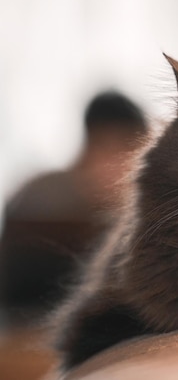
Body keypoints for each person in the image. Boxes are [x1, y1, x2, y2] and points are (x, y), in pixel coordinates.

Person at [0, 91, 147, 327]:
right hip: (24, 325)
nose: (115, 164)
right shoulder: (40, 193)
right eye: (106, 148)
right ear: (87, 147)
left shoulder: (143, 208)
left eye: (125, 151)